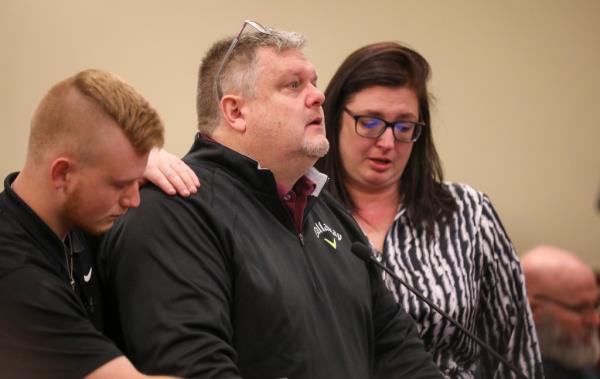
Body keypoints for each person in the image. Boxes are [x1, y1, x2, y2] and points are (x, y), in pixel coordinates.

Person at [99, 22, 443, 379]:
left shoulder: (329, 214)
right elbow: (195, 369)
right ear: (235, 111)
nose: (318, 96)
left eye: (314, 82)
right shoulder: (173, 211)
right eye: (293, 85)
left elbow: (398, 352)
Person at [314, 42, 543, 378]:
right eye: (370, 122)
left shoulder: (469, 213)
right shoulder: (304, 213)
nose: (388, 143)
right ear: (334, 118)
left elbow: (514, 346)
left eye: (405, 127)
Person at [0, 69, 183, 379]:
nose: (134, 201)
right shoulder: (17, 278)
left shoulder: (75, 223)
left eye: (137, 181)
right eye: (120, 185)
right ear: (62, 175)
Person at [522, 245, 600, 379]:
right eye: (580, 309)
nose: (595, 320)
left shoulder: (574, 361)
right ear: (532, 310)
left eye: (595, 306)